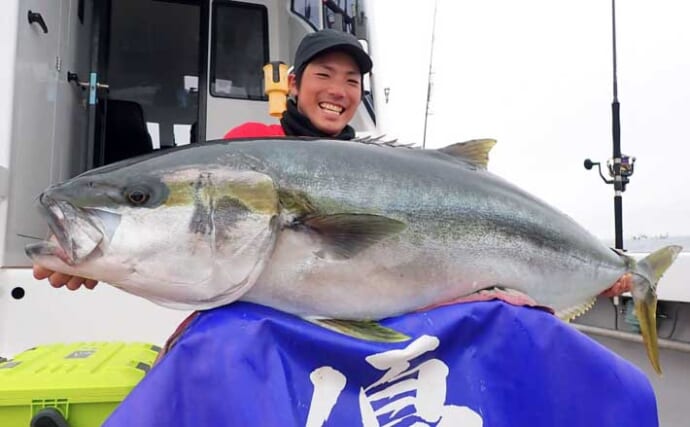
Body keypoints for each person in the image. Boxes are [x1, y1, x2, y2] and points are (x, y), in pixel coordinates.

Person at [35, 29, 654, 426]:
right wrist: (97, 262)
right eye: (323, 76)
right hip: (284, 353)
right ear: (294, 85)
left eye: (352, 81)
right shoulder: (248, 148)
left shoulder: (388, 169)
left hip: (371, 341)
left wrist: (593, 275)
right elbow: (199, 253)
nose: (338, 90)